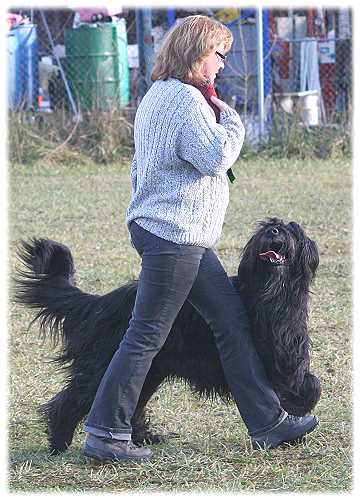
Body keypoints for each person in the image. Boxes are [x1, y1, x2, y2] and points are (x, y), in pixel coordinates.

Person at [83, 15, 319, 462]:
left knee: (231, 323)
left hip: (177, 234)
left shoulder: (157, 96)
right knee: (146, 334)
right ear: (197, 53)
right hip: (174, 237)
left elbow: (143, 168)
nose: (222, 66)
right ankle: (106, 433)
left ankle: (268, 423)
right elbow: (212, 157)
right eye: (219, 55)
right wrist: (233, 122)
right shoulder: (185, 102)